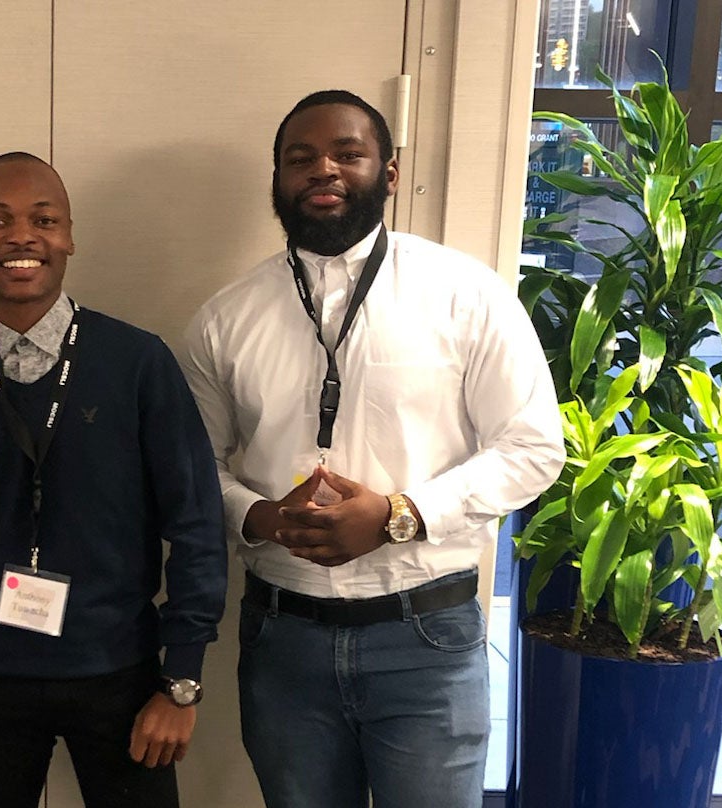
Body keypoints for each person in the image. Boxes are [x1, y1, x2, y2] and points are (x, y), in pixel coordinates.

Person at [180, 90, 564, 808]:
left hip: (426, 637)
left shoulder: (465, 295)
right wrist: (263, 518)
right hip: (283, 639)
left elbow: (533, 446)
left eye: (347, 153)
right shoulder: (223, 321)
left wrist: (401, 512)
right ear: (277, 180)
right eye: (300, 158)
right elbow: (194, 468)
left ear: (389, 172)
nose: (322, 169)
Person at [0, 152, 228, 808]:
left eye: (42, 219)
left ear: (69, 235)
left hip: (124, 676)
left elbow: (195, 523)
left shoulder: (136, 365)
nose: (20, 236)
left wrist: (181, 680)